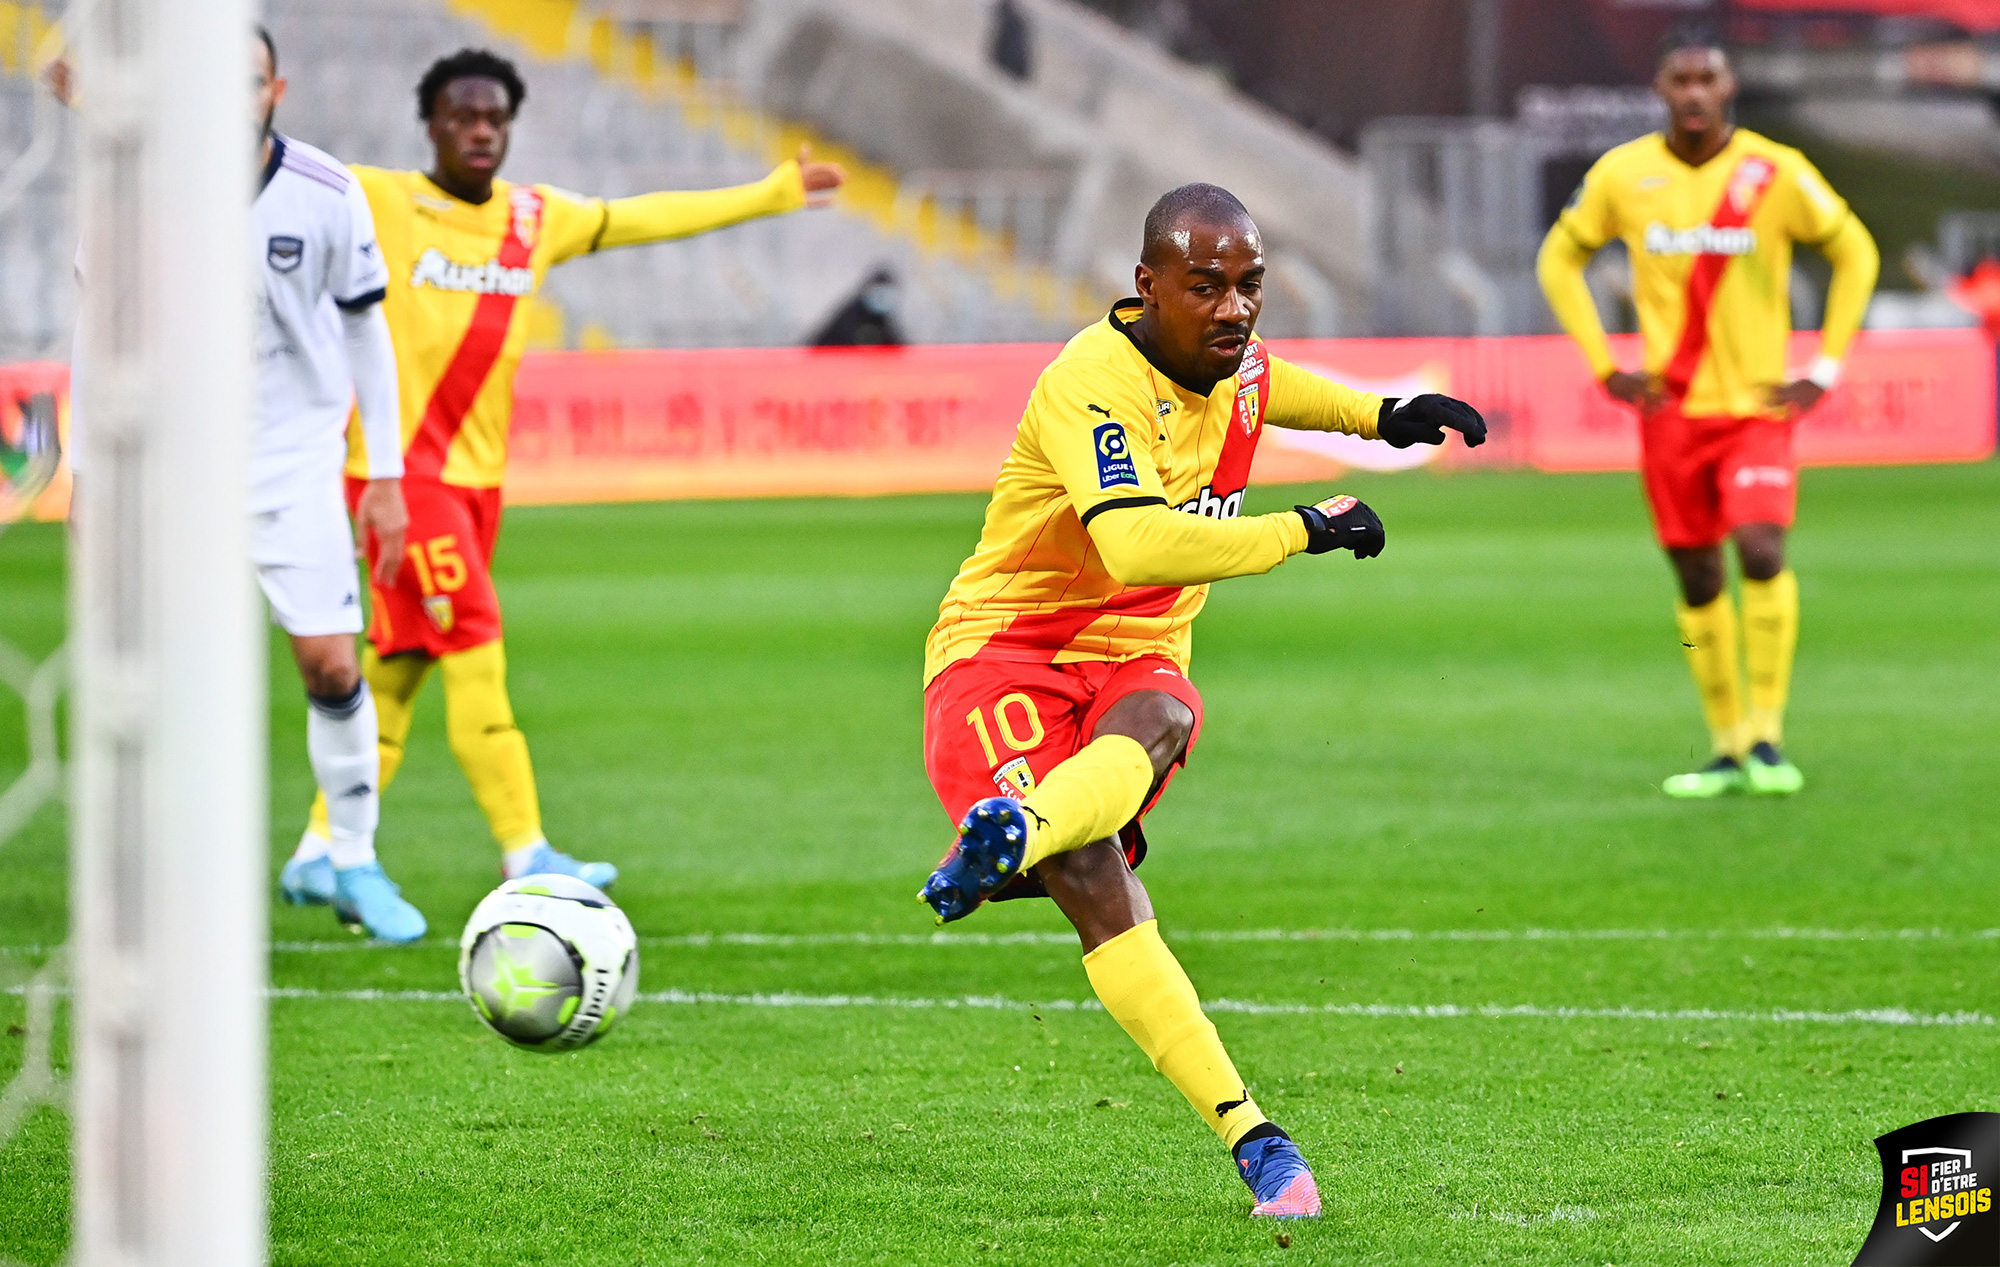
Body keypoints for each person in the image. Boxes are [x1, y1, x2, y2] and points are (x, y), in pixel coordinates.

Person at [915, 183, 1485, 1218]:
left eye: (1249, 285)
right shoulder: (1090, 382)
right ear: (1147, 286)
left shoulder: (1235, 358)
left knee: (1165, 716)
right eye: (1206, 285)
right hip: (1007, 650)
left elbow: (1277, 388)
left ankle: (1255, 1139)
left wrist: (1384, 414)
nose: (1234, 308)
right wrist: (1302, 528)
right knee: (1087, 874)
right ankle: (1023, 843)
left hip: (1135, 651)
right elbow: (1132, 545)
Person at [285, 49, 846, 898]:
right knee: (476, 650)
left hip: (477, 486)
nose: (481, 131)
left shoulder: (531, 219)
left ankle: (320, 850)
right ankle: (526, 851)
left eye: (496, 119)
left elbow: (639, 218)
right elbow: (264, 161)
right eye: (464, 117)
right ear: (430, 124)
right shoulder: (381, 200)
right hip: (401, 478)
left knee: (397, 670)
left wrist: (771, 192)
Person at [1536, 25, 1878, 798]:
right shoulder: (1624, 175)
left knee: (1759, 548)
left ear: (1729, 88)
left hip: (1757, 408)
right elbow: (1560, 257)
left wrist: (1824, 365)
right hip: (1673, 413)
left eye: (1708, 80)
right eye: (1680, 80)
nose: (1694, 93)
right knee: (1696, 574)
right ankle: (1724, 744)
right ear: (1661, 89)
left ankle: (1767, 735)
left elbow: (1854, 249)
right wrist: (1604, 364)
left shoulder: (1775, 171)